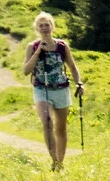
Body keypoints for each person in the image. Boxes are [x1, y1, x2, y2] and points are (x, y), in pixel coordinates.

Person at [21, 12, 83, 172]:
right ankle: (54, 160)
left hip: (61, 89)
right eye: (40, 25)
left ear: (52, 27)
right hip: (41, 89)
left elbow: (73, 67)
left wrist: (79, 83)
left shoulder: (62, 46)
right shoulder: (32, 46)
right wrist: (37, 53)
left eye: (47, 24)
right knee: (47, 121)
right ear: (37, 28)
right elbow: (26, 71)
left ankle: (60, 162)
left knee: (61, 128)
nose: (44, 28)